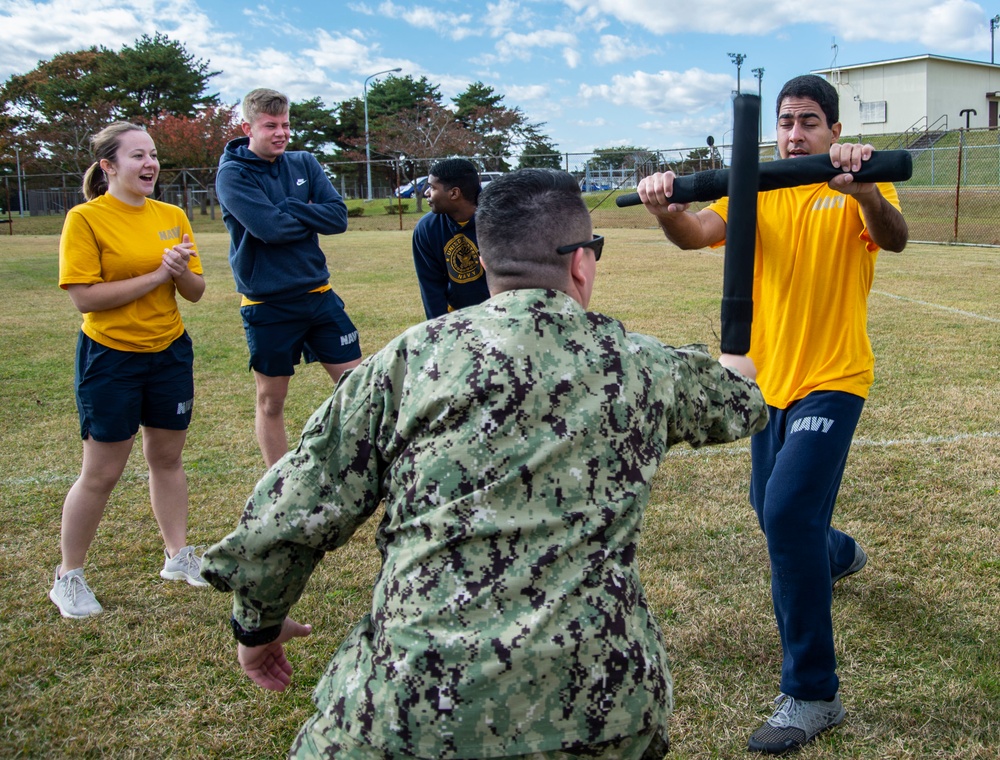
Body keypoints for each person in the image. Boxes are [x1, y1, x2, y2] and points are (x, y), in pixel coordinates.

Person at [202, 168, 769, 759]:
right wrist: (733, 362)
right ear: (581, 262)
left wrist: (257, 628)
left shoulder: (407, 361)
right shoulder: (642, 364)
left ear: (488, 260)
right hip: (600, 714)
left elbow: (290, 512)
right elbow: (740, 404)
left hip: (407, 711)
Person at [637, 74, 909, 754]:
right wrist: (664, 207)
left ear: (834, 132)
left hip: (835, 379)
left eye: (810, 122)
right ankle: (838, 554)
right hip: (769, 383)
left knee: (785, 512)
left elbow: (895, 237)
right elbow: (696, 232)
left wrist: (867, 190)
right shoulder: (752, 188)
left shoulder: (850, 183)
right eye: (786, 121)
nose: (795, 133)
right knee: (771, 509)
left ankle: (813, 692)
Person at [51, 122, 208, 619]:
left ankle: (178, 557)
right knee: (101, 472)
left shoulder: (172, 215)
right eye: (138, 155)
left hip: (169, 352)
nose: (150, 164)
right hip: (111, 357)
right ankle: (68, 577)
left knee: (167, 459)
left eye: (154, 154)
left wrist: (180, 273)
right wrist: (159, 273)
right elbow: (84, 298)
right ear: (108, 166)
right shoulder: (86, 219)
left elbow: (197, 291)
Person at [216, 88, 362, 468]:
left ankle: (360, 466)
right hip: (269, 305)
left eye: (285, 124)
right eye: (270, 126)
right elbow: (270, 230)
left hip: (319, 295)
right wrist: (305, 212)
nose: (281, 133)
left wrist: (287, 207)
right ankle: (279, 484)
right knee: (271, 401)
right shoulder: (232, 174)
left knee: (360, 386)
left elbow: (338, 218)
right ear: (247, 127)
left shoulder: (304, 162)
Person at [411, 157, 490, 319]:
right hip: (456, 318)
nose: (426, 193)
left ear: (454, 193)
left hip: (498, 315)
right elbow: (431, 287)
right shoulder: (427, 228)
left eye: (432, 187)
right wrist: (438, 330)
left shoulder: (500, 220)